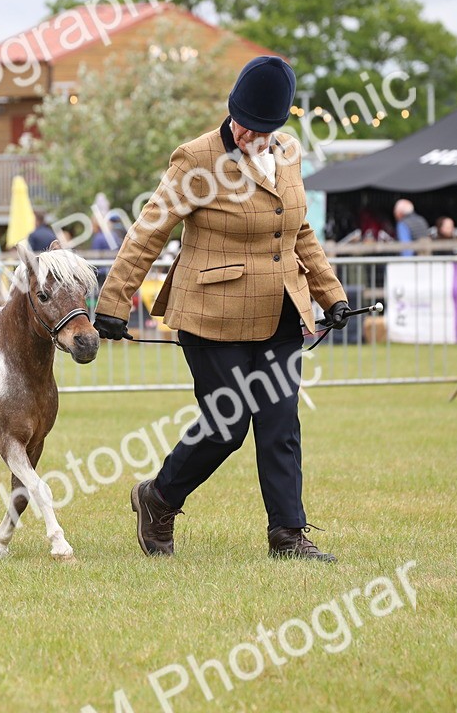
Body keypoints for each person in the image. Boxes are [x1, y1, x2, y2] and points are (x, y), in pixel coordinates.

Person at [93, 55, 349, 562]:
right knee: (226, 425)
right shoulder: (196, 158)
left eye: (262, 127)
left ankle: (288, 536)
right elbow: (150, 230)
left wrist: (332, 295)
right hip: (212, 312)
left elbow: (299, 232)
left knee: (280, 424)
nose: (249, 133)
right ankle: (159, 498)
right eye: (243, 123)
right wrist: (114, 301)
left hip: (280, 311)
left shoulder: (290, 154)